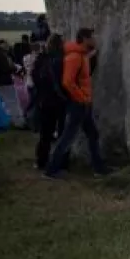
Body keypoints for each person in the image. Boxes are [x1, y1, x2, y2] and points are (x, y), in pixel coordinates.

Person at [44, 28, 109, 180]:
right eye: (92, 37)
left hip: (83, 102)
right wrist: (80, 97)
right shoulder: (74, 57)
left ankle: (98, 168)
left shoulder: (81, 55)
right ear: (85, 39)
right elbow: (68, 81)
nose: (95, 40)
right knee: (68, 137)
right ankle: (51, 169)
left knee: (92, 134)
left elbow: (83, 76)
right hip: (78, 104)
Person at [31, 34, 66, 172]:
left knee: (45, 134)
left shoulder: (41, 59)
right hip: (59, 100)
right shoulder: (61, 60)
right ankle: (62, 162)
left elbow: (34, 78)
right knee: (63, 133)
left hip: (44, 100)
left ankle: (41, 161)